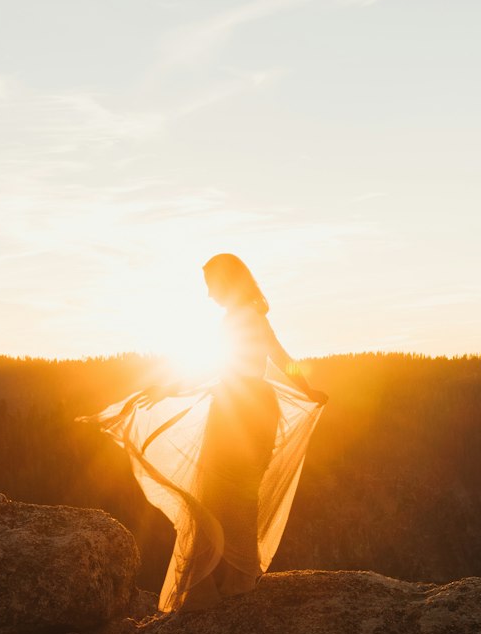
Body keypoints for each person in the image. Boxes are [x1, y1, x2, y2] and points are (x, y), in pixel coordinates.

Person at [82, 254, 326, 612]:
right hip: (257, 409)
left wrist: (165, 388)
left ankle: (221, 585)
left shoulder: (237, 320)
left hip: (236, 413)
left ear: (227, 283)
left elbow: (218, 366)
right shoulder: (254, 317)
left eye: (212, 286)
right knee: (239, 497)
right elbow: (282, 358)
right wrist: (306, 389)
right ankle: (235, 582)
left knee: (220, 497)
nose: (210, 295)